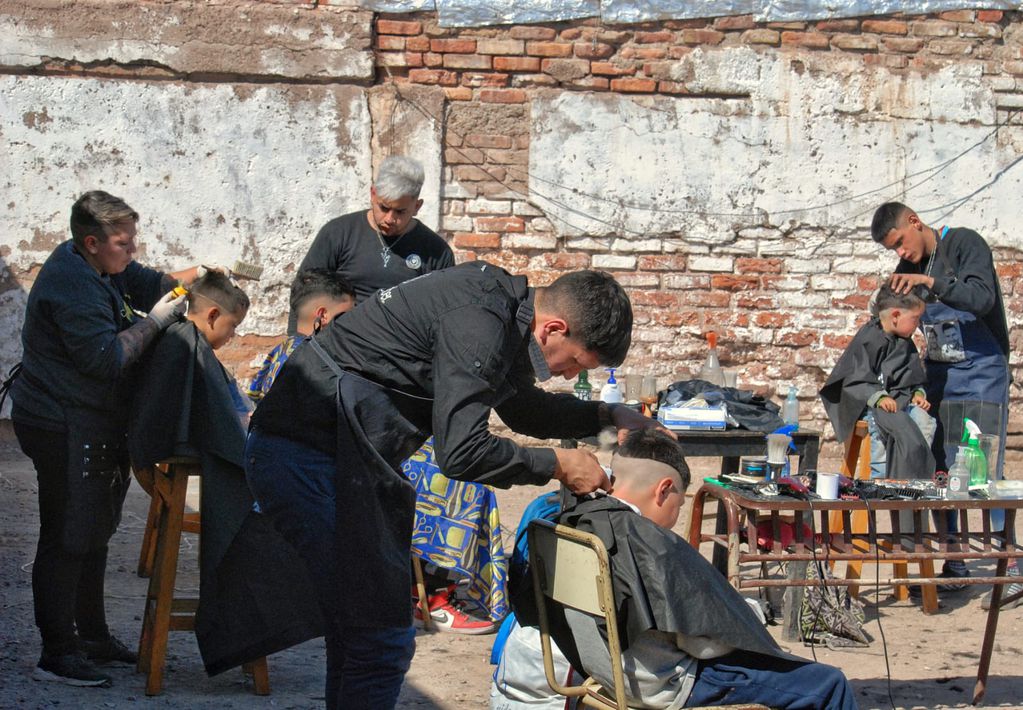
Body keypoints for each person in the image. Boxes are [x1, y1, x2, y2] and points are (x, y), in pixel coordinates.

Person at [246, 263, 661, 709]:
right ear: (554, 329)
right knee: (380, 636)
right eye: (576, 362)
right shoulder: (480, 319)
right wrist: (557, 464)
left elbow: (522, 409)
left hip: (338, 459)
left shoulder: (502, 311)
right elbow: (462, 453)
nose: (565, 376)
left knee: (361, 630)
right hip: (306, 458)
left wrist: (604, 416)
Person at [3, 190, 209, 687]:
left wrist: (199, 281)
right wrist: (158, 320)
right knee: (68, 535)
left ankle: (91, 636)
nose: (132, 251)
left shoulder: (103, 264)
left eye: (134, 240)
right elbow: (105, 360)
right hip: (61, 421)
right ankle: (57, 651)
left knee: (94, 531)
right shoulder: (71, 283)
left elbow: (152, 280)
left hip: (90, 419)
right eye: (124, 243)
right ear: (92, 242)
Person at [510, 429, 857, 710]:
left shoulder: (568, 521)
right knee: (827, 683)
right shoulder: (650, 543)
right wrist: (741, 618)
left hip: (602, 671)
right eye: (678, 504)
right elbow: (706, 646)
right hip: (663, 685)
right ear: (664, 490)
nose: (675, 518)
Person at [871, 202, 1012, 592]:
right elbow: (890, 317)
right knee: (938, 471)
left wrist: (933, 283)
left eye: (900, 242)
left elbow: (981, 299)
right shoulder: (907, 270)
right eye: (893, 250)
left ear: (915, 222)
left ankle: (1011, 562)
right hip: (938, 375)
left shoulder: (964, 244)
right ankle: (956, 562)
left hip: (982, 372)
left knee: (981, 470)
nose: (901, 254)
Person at [290, 155, 454, 330]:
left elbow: (445, 314)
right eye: (383, 208)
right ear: (372, 194)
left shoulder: (436, 252)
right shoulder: (338, 233)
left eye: (400, 212)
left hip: (402, 350)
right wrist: (297, 345)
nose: (390, 219)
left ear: (417, 206)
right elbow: (304, 291)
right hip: (340, 345)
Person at [820, 283, 936, 480]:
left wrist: (917, 395)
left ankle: (916, 472)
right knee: (880, 423)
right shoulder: (869, 338)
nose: (917, 325)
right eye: (915, 319)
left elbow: (913, 377)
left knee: (925, 421)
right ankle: (880, 476)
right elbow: (855, 377)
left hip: (900, 403)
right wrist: (879, 397)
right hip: (868, 405)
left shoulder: (904, 342)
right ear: (896, 316)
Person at [248, 269, 356, 403]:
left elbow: (254, 395)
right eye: (347, 316)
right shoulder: (314, 360)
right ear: (322, 315)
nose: (352, 323)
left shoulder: (281, 350)